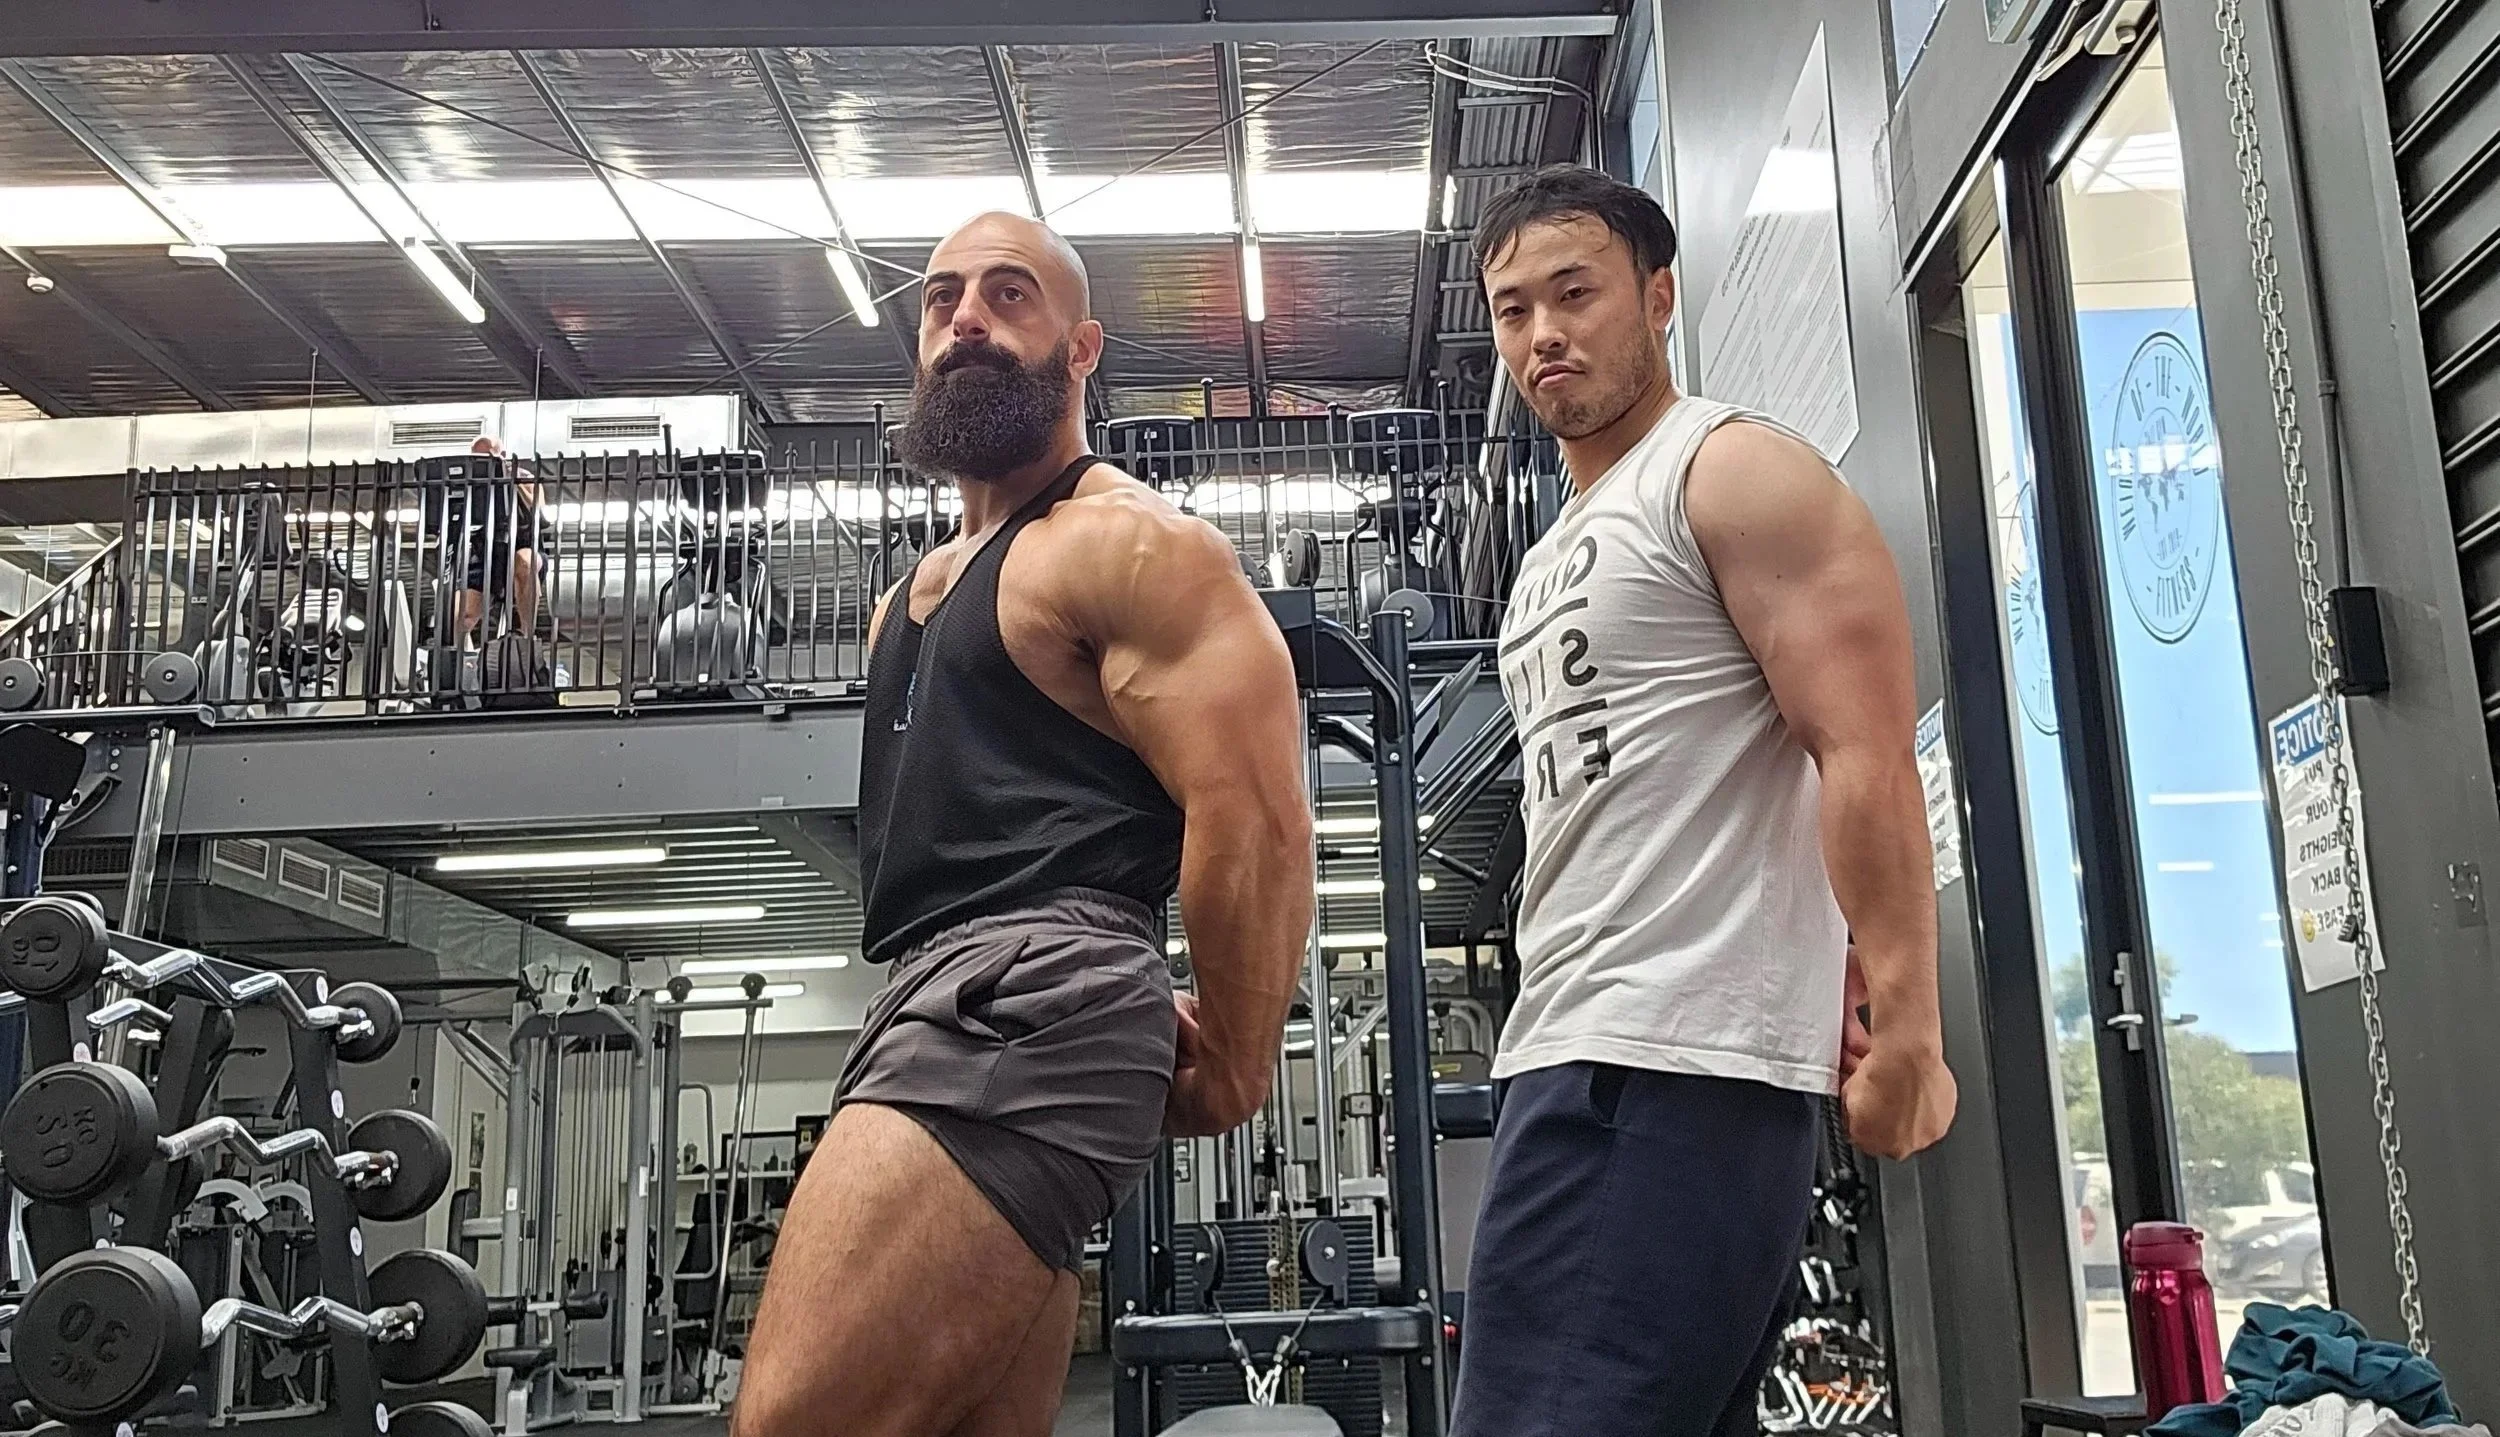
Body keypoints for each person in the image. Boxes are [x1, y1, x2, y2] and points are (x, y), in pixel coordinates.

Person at [731, 212, 1315, 1437]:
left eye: (1009, 297)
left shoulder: (1124, 544)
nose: (967, 326)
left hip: (1028, 992)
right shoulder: (911, 594)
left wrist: (1243, 1057)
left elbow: (1253, 814)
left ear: (1082, 347)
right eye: (943, 302)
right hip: (943, 990)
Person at [1453, 164, 1958, 1437]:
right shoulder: (1552, 557)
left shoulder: (1731, 474)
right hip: (1580, 1050)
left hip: (1662, 1058)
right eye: (1514, 311)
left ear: (1658, 296)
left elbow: (1863, 752)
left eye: (1575, 295)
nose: (1543, 335)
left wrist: (1906, 1023)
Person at [454, 435, 544, 644]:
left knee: (525, 562)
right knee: (459, 613)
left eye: (487, 456)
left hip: (522, 545)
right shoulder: (469, 483)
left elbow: (539, 511)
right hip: (485, 552)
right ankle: (457, 658)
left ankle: (527, 636)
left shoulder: (524, 477)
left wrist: (514, 481)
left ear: (501, 456)